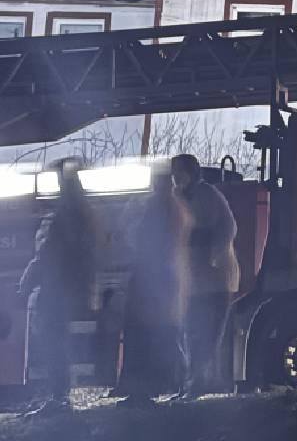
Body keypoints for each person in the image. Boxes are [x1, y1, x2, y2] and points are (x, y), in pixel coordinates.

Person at [17, 158, 97, 417]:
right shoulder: (80, 213)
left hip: (56, 288)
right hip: (67, 286)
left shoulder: (64, 216)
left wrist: (27, 283)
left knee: (52, 341)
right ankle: (57, 394)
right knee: (56, 340)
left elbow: (48, 254)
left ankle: (57, 395)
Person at [115, 165, 192, 408]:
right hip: (162, 282)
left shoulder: (160, 208)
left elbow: (141, 239)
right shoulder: (175, 207)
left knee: (146, 337)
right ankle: (162, 385)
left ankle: (145, 390)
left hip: (153, 282)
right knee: (161, 336)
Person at [172, 154, 239, 400]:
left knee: (208, 332)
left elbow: (228, 227)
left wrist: (215, 254)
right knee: (189, 331)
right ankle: (189, 383)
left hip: (214, 278)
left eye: (181, 172)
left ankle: (201, 381)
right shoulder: (176, 197)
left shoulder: (208, 195)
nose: (177, 177)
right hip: (191, 280)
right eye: (174, 172)